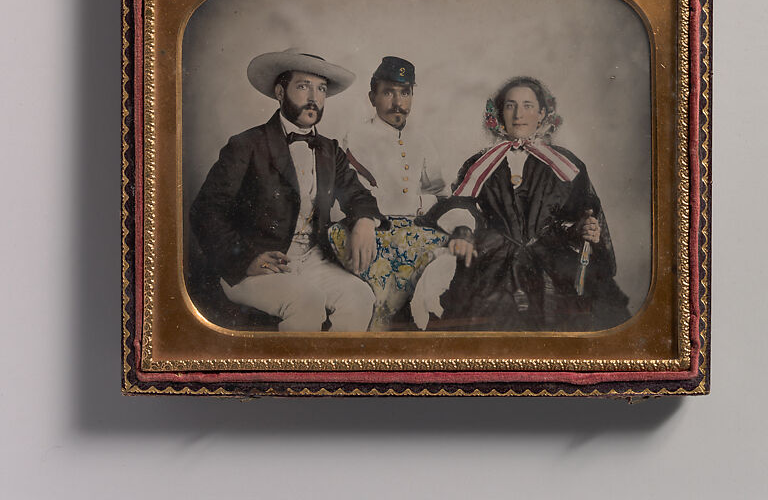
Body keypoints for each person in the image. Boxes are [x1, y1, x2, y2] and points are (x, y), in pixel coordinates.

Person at [414, 76, 630, 332]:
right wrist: (463, 233)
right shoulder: (480, 162)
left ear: (541, 114)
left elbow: (580, 215)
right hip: (493, 254)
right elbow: (462, 205)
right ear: (499, 114)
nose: (519, 114)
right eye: (510, 105)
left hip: (551, 254)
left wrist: (584, 229)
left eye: (528, 106)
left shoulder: (566, 164)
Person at [189, 49, 381, 333]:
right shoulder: (247, 144)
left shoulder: (329, 149)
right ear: (280, 92)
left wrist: (364, 221)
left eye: (321, 89)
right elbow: (206, 210)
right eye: (303, 87)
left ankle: (335, 376)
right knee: (306, 301)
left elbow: (359, 196)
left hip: (313, 260)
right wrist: (246, 258)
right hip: (254, 265)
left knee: (360, 297)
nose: (314, 98)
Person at [332, 56, 449, 327]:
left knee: (452, 263)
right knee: (381, 296)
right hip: (374, 229)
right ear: (372, 97)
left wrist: (420, 202)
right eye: (388, 93)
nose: (398, 103)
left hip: (414, 229)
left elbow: (441, 192)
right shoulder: (357, 136)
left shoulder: (421, 139)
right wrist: (411, 204)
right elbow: (354, 198)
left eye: (405, 93)